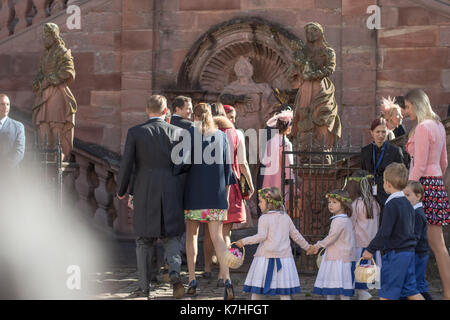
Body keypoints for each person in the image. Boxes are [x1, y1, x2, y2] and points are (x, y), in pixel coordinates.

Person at [116, 95, 185, 300]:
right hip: (171, 188)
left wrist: (123, 190)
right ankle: (174, 271)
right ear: (166, 111)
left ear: (147, 110)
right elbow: (184, 167)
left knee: (144, 239)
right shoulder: (178, 133)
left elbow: (127, 164)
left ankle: (144, 287)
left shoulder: (136, 132)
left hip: (144, 188)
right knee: (171, 235)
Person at [175, 103, 237, 299]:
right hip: (216, 196)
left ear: (195, 116)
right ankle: (227, 279)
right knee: (218, 238)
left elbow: (180, 165)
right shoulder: (221, 136)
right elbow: (228, 171)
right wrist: (225, 197)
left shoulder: (189, 135)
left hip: (194, 195)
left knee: (191, 236)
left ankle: (192, 279)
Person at [403, 88, 450, 300]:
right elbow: (444, 163)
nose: (405, 111)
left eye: (408, 106)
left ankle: (413, 289)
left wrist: (408, 189)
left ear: (417, 104)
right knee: (438, 245)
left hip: (424, 187)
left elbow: (419, 165)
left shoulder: (423, 128)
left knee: (417, 241)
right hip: (437, 184)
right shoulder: (439, 125)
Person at [235, 187, 312, 300]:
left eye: (261, 201)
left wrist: (243, 241)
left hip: (264, 258)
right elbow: (296, 235)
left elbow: (261, 236)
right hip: (284, 259)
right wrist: (308, 247)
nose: (259, 204)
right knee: (284, 291)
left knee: (257, 289)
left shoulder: (264, 218)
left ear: (269, 203)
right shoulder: (285, 217)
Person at [362, 163, 424, 300]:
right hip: (408, 252)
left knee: (387, 291)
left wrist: (370, 249)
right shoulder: (407, 203)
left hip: (396, 254)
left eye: (383, 181)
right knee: (411, 290)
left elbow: (385, 232)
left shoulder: (391, 204)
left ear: (388, 184)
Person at [32, 23, 77, 161]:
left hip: (57, 93)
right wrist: (39, 82)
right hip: (43, 94)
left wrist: (49, 80)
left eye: (47, 36)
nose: (44, 39)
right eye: (43, 36)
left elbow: (69, 71)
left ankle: (59, 155)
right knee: (42, 124)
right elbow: (40, 73)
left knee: (56, 124)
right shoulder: (45, 55)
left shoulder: (62, 51)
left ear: (53, 36)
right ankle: (46, 155)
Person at [310, 189, 356, 300]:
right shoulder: (344, 219)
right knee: (339, 287)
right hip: (341, 257)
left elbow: (331, 238)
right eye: (329, 202)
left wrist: (317, 245)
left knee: (335, 286)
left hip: (337, 260)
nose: (330, 205)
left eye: (334, 202)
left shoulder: (339, 220)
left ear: (344, 204)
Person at [345, 170, 381, 300]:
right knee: (367, 270)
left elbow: (350, 225)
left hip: (359, 245)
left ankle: (361, 292)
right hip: (372, 244)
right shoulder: (375, 203)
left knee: (358, 270)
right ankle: (363, 291)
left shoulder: (356, 204)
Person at [361, 117, 406, 214]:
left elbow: (401, 174)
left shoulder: (395, 151)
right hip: (370, 194)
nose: (380, 135)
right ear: (371, 132)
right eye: (377, 132)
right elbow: (363, 173)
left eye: (383, 132)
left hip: (388, 194)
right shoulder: (365, 151)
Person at [403, 180, 432, 300]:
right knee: (414, 282)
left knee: (418, 283)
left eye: (408, 195)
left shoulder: (418, 214)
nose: (405, 198)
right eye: (403, 195)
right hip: (417, 252)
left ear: (418, 196)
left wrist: (406, 248)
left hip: (418, 253)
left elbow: (415, 236)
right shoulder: (413, 212)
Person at [261, 109, 294, 203]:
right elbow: (288, 165)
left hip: (268, 179)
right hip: (281, 180)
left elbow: (264, 161)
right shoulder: (286, 143)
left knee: (269, 204)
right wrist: (291, 180)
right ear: (288, 128)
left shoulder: (269, 142)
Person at [0, 94, 25, 168]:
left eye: (8, 104)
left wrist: (4, 167)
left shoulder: (18, 126)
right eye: (2, 104)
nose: (6, 107)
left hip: (9, 173)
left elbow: (19, 151)